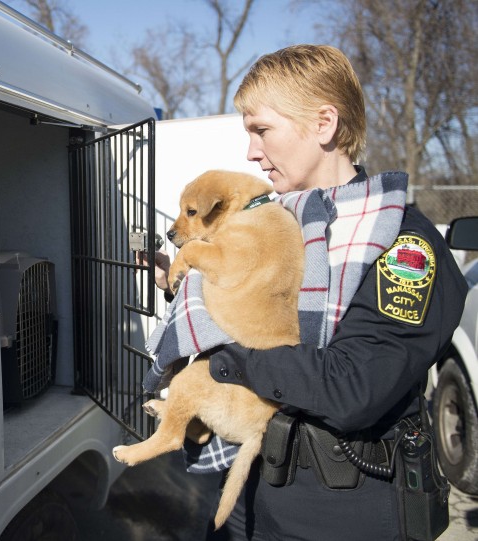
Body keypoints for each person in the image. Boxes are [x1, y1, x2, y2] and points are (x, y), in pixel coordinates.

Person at [149, 44, 468, 540]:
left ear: (324, 124)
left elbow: (352, 387)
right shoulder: (276, 222)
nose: (251, 152)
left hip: (340, 511)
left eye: (261, 130)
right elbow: (255, 303)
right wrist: (184, 286)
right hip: (251, 489)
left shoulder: (402, 245)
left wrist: (225, 359)